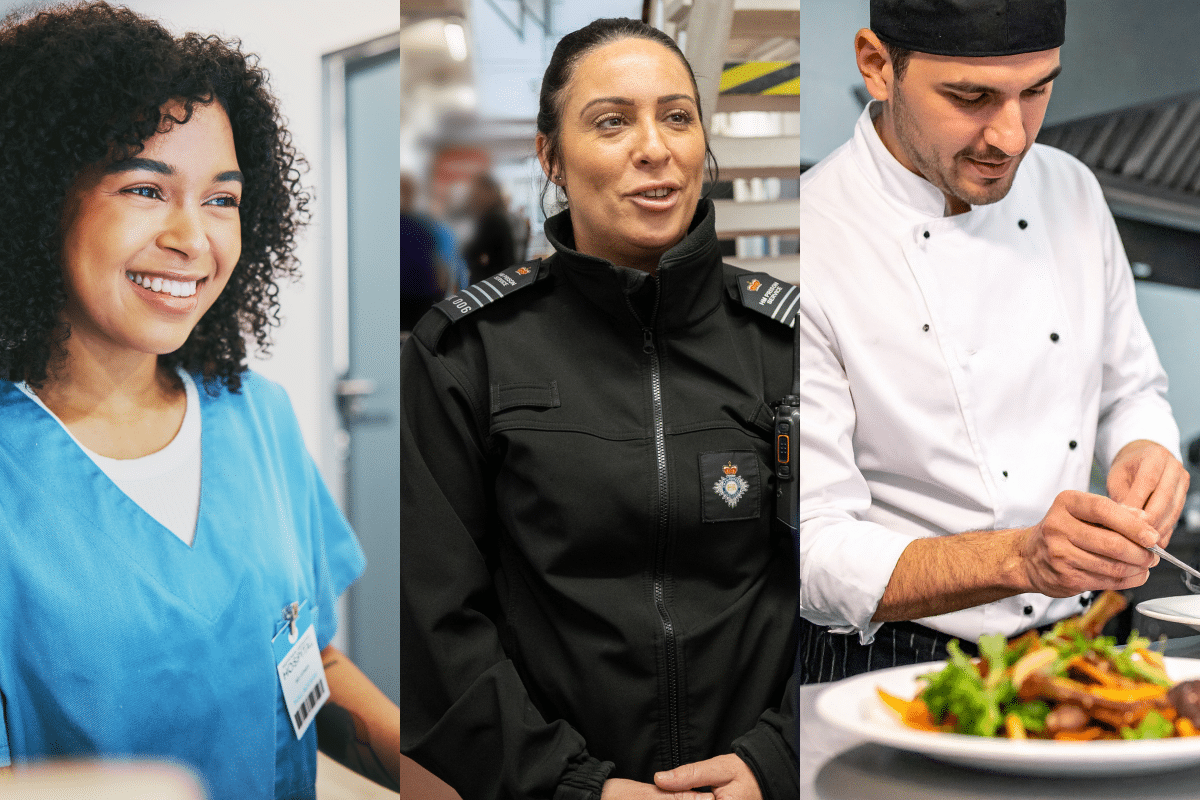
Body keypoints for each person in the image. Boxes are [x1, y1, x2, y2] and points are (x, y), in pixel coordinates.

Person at [0, 3, 400, 796]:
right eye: (146, 189)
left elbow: (305, 659)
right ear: (38, 199)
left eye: (222, 199)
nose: (194, 239)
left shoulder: (256, 414)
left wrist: (428, 758)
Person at [401, 16, 797, 800]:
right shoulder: (467, 354)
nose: (654, 147)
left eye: (677, 116)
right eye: (611, 122)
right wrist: (578, 787)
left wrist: (774, 760)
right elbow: (434, 624)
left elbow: (842, 588)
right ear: (550, 156)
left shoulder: (789, 343)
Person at [797, 0, 1190, 682]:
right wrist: (1022, 559)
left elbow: (1130, 389)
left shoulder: (1070, 189)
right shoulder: (810, 242)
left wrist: (1145, 449)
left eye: (1037, 90)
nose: (1011, 138)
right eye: (971, 97)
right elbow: (809, 551)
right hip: (892, 661)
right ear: (877, 66)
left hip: (1080, 641)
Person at [462, 172, 516, 286]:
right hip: (501, 280)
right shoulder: (499, 216)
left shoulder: (492, 219)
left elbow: (471, 252)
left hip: (490, 283)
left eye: (478, 192)